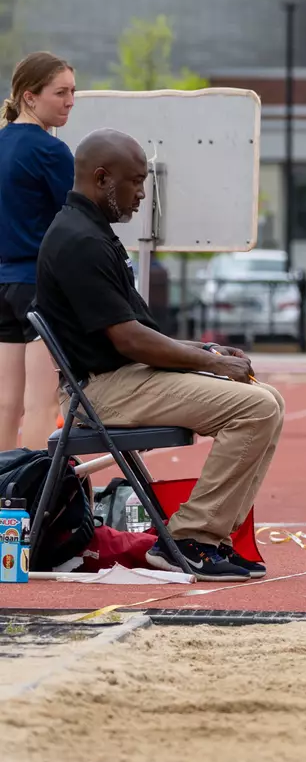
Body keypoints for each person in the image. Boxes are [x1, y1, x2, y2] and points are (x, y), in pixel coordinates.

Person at [33, 129, 282, 581]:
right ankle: (190, 541)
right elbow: (129, 340)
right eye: (135, 182)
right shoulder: (79, 242)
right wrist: (211, 362)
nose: (141, 195)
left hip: (121, 378)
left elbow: (138, 332)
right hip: (102, 391)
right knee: (256, 407)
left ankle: (214, 538)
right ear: (102, 178)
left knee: (268, 402)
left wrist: (203, 349)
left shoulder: (91, 232)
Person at [0, 53, 76, 452]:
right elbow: (75, 220)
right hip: (37, 286)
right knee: (41, 404)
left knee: (5, 405)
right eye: (60, 92)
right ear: (30, 97)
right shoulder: (50, 151)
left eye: (72, 92)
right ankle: (30, 502)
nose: (69, 101)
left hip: (2, 284)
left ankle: (3, 499)